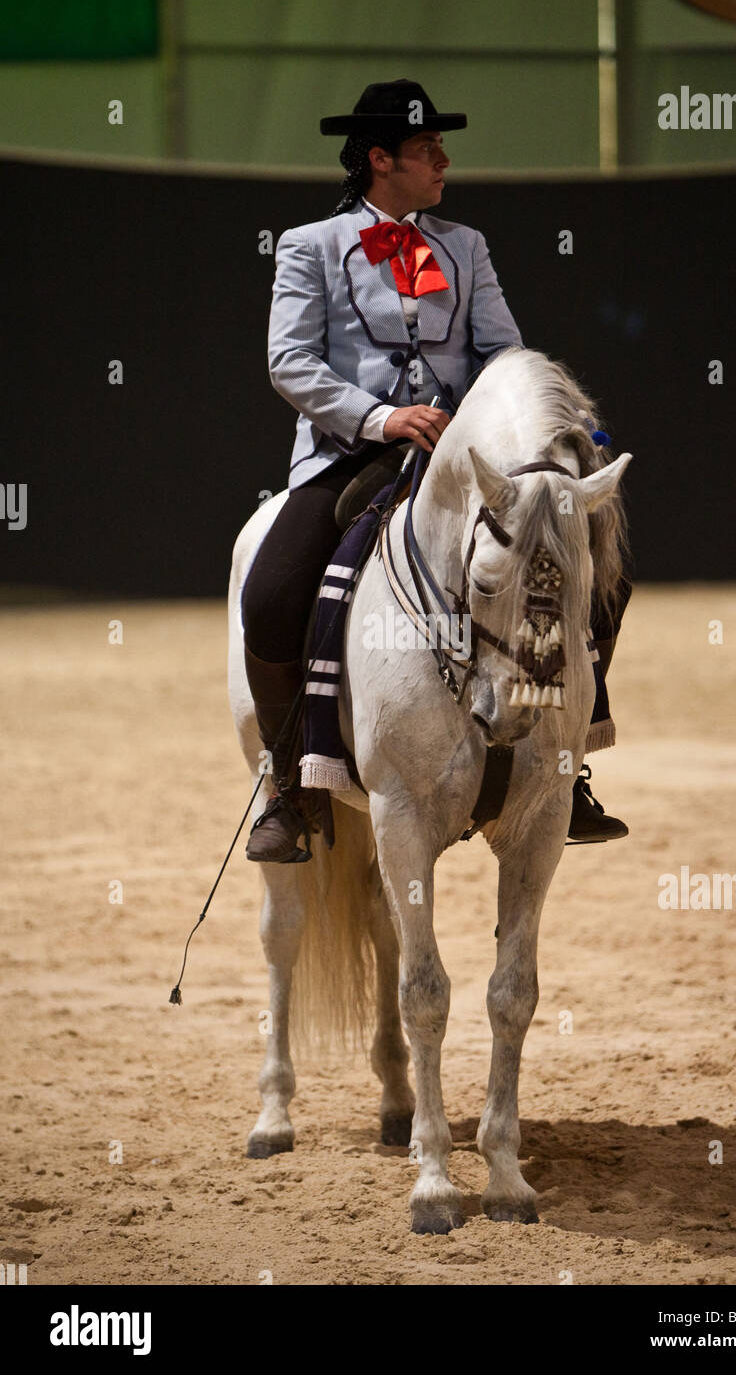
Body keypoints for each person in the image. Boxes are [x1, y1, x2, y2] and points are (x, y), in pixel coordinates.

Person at [241, 78, 628, 862]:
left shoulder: (465, 245)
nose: (442, 160)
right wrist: (382, 417)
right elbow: (290, 362)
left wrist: (540, 428)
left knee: (591, 566)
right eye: (426, 149)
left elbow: (501, 352)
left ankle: (569, 756)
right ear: (381, 160)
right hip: (354, 452)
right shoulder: (309, 246)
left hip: (461, 458)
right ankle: (292, 788)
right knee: (275, 592)